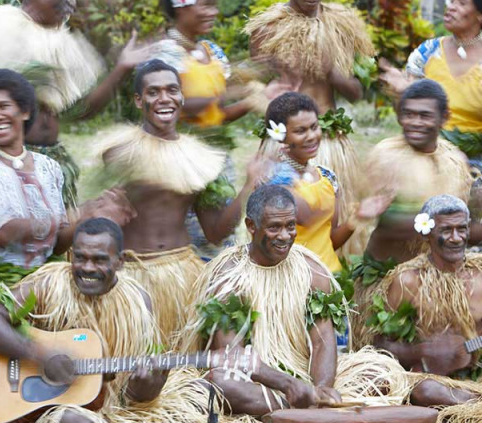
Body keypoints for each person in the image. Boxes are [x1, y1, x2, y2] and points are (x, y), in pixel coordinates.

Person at [179, 185, 425, 421]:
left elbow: (322, 340)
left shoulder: (310, 270)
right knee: (221, 383)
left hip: (305, 376)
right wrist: (288, 385)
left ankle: (303, 411)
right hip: (257, 382)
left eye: (290, 226)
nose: (285, 236)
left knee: (379, 371)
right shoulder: (230, 277)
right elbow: (234, 355)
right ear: (251, 226)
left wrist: (321, 388)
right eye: (274, 227)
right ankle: (309, 412)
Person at [0, 218, 215, 423]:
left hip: (106, 410)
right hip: (42, 410)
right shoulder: (46, 285)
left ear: (120, 262)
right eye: (80, 257)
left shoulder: (138, 302)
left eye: (99, 260)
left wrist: (144, 392)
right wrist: (39, 355)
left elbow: (130, 394)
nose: (87, 268)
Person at [97, 59, 265, 345]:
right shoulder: (121, 152)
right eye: (153, 92)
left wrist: (249, 185)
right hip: (133, 276)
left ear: (181, 97)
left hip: (181, 276)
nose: (164, 98)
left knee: (182, 360)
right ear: (139, 100)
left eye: (172, 90)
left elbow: (216, 232)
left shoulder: (198, 158)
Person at [0, 0, 149, 207]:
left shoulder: (62, 42)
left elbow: (80, 111)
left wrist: (122, 69)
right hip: (7, 161)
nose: (69, 2)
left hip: (51, 159)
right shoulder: (5, 26)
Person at [349, 80, 473, 349]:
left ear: (444, 118)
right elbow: (390, 222)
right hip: (387, 284)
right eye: (408, 114)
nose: (414, 122)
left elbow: (461, 222)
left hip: (437, 282)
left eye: (425, 115)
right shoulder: (387, 156)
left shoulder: (455, 160)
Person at [246, 0, 375, 255]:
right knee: (281, 221)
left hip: (329, 142)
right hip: (285, 142)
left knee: (331, 224)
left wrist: (331, 72)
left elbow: (357, 92)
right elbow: (256, 84)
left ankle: (332, 277)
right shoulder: (268, 28)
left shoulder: (341, 24)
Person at [365, 195, 482, 422]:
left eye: (461, 229)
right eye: (446, 230)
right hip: (434, 382)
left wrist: (470, 346)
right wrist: (422, 351)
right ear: (427, 233)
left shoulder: (480, 276)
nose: (456, 238)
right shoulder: (407, 281)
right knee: (426, 391)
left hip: (476, 377)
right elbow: (377, 344)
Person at [152, 0, 254, 260]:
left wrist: (253, 100)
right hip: (182, 162)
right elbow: (176, 105)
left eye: (215, 5)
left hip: (218, 159)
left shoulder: (212, 51)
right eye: (206, 5)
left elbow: (216, 116)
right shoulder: (165, 54)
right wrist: (230, 93)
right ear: (180, 6)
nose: (214, 12)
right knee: (191, 239)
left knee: (220, 236)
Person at [0, 69, 72, 269]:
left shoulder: (49, 167)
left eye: (3, 106)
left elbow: (57, 246)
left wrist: (85, 220)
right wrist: (58, 222)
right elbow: (3, 233)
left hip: (43, 286)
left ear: (25, 112)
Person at [263, 92, 390, 272]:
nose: (311, 136)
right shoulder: (270, 179)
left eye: (314, 127)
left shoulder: (328, 177)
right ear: (280, 136)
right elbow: (303, 217)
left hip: (328, 277)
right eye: (300, 131)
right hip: (290, 281)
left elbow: (330, 240)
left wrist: (358, 217)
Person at [379, 0, 482, 159]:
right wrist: (402, 94)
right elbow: (406, 119)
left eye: (461, 3)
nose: (451, 7)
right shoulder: (427, 52)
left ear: (479, 16)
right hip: (426, 152)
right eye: (452, 1)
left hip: (475, 158)